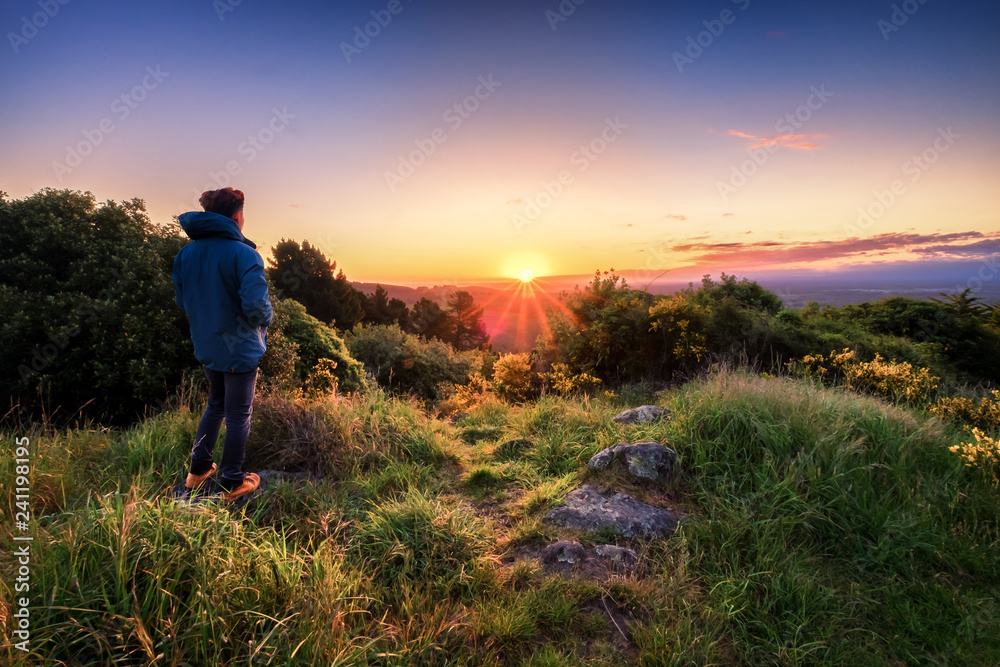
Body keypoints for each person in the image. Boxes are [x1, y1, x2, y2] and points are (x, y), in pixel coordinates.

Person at [172, 187, 272, 502]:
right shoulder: (244, 254)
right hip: (239, 347)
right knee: (239, 413)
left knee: (216, 404)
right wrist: (266, 319)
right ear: (237, 215)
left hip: (208, 345)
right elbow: (257, 309)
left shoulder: (185, 254)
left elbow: (183, 302)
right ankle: (231, 482)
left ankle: (198, 471)